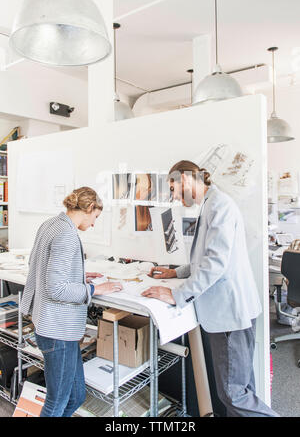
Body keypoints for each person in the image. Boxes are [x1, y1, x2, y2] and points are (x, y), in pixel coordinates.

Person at [142, 161, 279, 417]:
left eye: (173, 188)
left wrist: (176, 294)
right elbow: (206, 258)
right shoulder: (211, 205)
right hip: (233, 312)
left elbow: (215, 264)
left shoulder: (219, 206)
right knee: (241, 388)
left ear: (184, 179)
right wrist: (176, 272)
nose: (173, 196)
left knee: (233, 393)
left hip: (229, 314)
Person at [20, 187, 123, 417]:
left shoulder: (51, 224)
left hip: (52, 327)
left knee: (76, 396)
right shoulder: (67, 234)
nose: (94, 224)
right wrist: (95, 289)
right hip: (57, 330)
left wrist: (78, 276)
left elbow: (40, 265)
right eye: (96, 217)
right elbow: (56, 288)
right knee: (57, 402)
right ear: (88, 209)